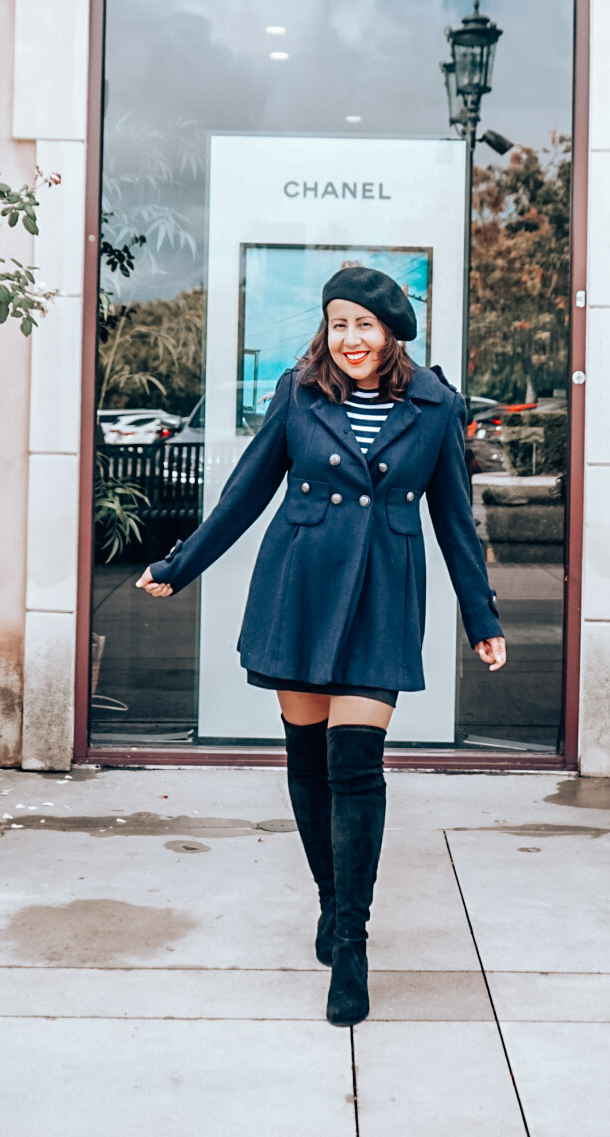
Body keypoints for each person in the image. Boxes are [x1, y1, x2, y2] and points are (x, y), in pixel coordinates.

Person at [137, 263, 506, 1026]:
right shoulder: (298, 392)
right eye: (338, 325)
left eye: (363, 326)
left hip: (381, 594)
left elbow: (456, 522)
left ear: (392, 332)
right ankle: (330, 903)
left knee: (355, 764)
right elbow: (244, 490)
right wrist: (181, 566)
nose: (349, 340)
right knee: (306, 762)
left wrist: (483, 618)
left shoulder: (436, 408)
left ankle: (352, 940)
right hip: (299, 589)